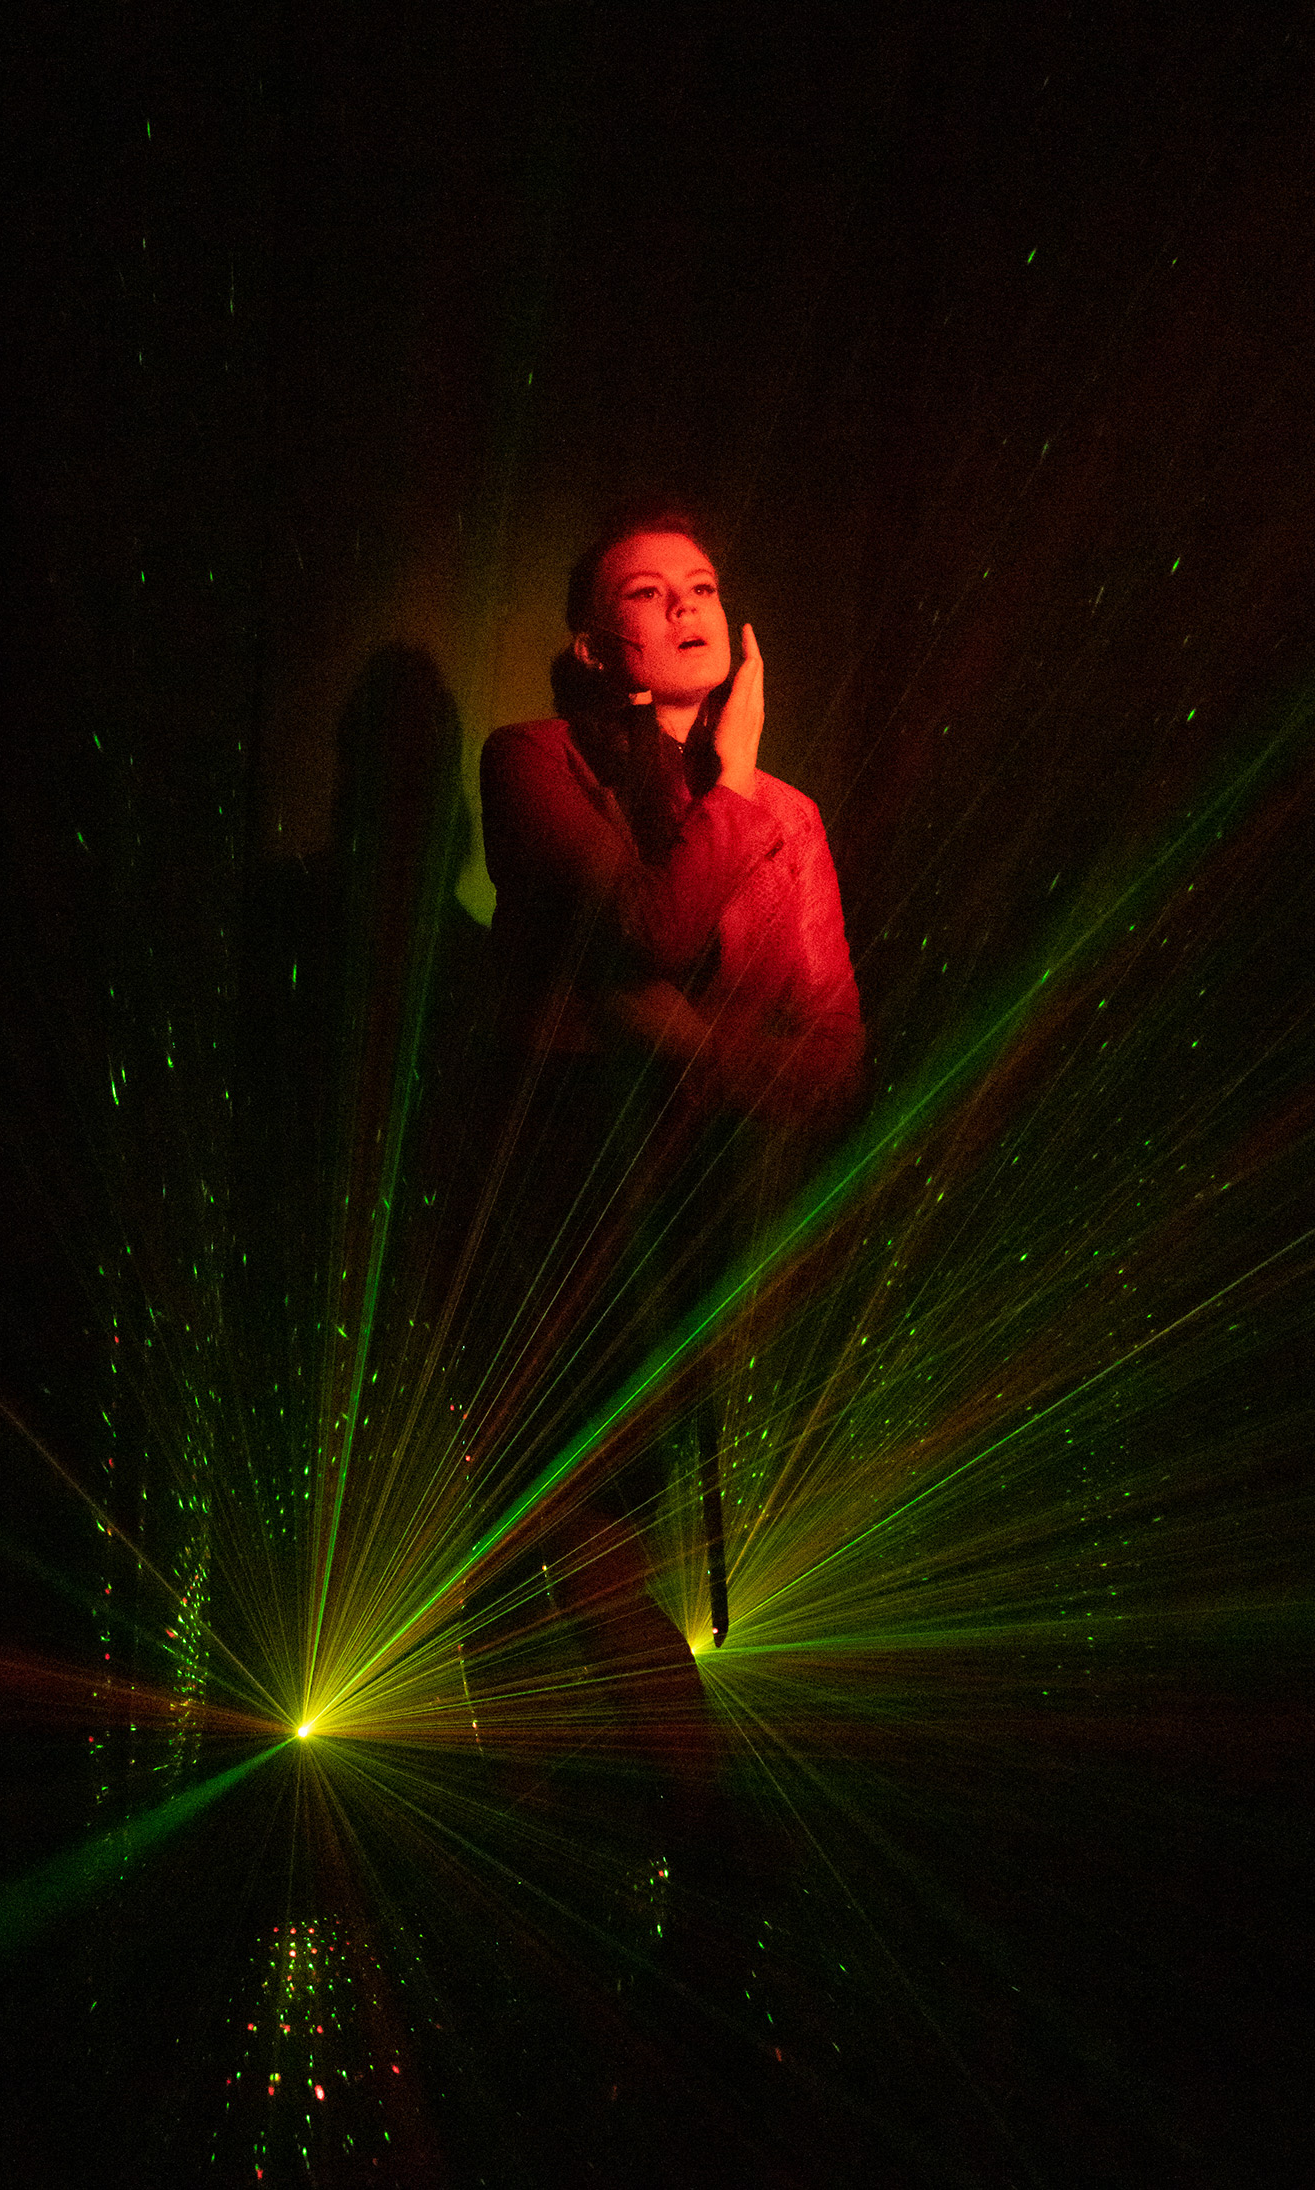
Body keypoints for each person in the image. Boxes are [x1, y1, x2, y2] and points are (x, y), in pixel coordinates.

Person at [473, 501, 863, 1815]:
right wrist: (732, 772)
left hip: (693, 1193)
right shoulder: (534, 762)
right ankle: (657, 1815)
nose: (688, 604)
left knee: (596, 1518)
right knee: (537, 1511)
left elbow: (832, 1061)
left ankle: (649, 1817)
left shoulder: (788, 818)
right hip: (548, 1177)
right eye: (647, 590)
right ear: (594, 642)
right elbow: (648, 925)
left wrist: (679, 1038)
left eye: (701, 583)